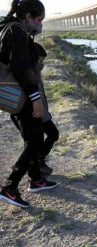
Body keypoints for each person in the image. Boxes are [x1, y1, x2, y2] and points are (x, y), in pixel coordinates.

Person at [0, 0, 58, 208]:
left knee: (33, 140)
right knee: (33, 143)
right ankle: (9, 187)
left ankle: (36, 179)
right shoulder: (16, 32)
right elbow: (22, 69)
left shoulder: (10, 29)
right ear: (27, 18)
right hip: (23, 98)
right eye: (39, 20)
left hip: (18, 97)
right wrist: (36, 100)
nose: (41, 24)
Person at [10, 42, 59, 177]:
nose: (42, 65)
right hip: (33, 114)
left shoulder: (34, 72)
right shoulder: (28, 75)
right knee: (39, 141)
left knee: (37, 143)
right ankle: (33, 167)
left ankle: (37, 165)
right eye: (40, 61)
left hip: (40, 114)